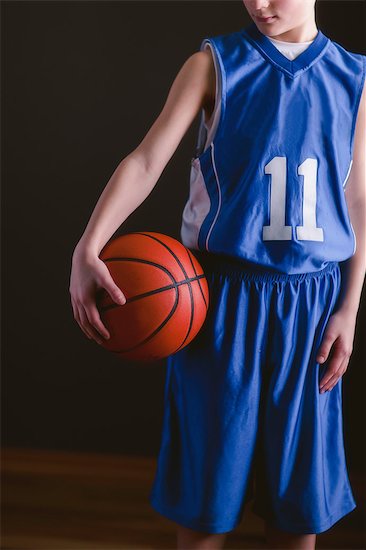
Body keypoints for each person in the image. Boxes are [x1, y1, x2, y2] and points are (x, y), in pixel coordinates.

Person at [69, 0, 366, 548]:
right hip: (219, 301)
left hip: (311, 304)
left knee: (298, 512)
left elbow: (357, 199)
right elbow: (146, 159)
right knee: (206, 507)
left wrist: (348, 308)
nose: (258, 2)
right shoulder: (213, 64)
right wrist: (89, 244)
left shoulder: (354, 77)